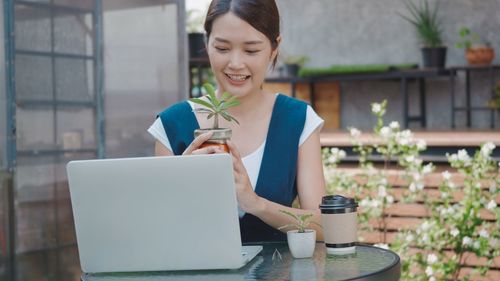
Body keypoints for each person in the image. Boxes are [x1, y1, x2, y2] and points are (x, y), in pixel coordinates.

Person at [148, 0, 326, 242]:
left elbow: (324, 226)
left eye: (251, 50)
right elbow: (157, 232)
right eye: (222, 48)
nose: (235, 64)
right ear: (206, 43)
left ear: (275, 48)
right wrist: (182, 185)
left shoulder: (297, 119)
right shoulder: (172, 125)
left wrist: (255, 203)